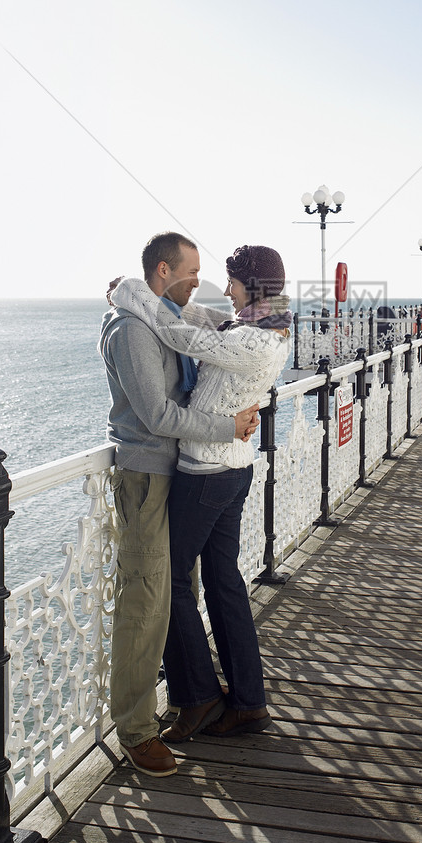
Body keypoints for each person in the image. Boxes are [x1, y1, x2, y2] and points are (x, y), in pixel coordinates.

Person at [108, 244, 291, 744]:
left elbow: (174, 331)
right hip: (231, 472)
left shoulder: (250, 340)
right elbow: (193, 313)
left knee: (173, 586)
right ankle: (249, 702)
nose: (224, 288)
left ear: (252, 288)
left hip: (206, 473)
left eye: (232, 280)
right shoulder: (256, 327)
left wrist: (129, 294)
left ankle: (199, 697)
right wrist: (144, 291)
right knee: (223, 582)